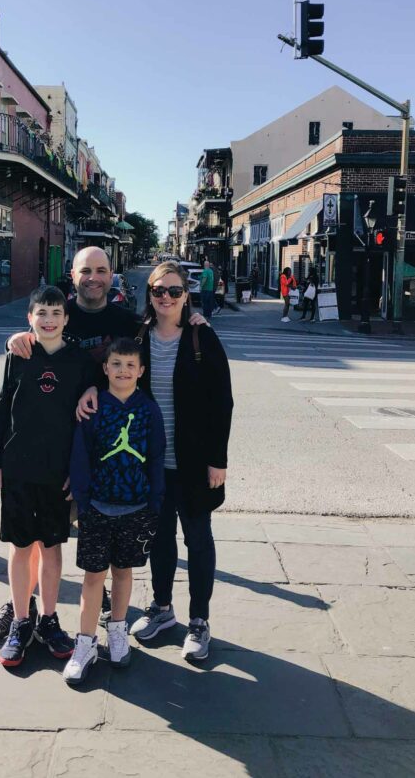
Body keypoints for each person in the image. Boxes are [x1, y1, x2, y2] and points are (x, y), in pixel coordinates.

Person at [0, 245, 207, 642]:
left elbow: (162, 324)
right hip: (47, 449)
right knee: (32, 536)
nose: (94, 278)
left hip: (103, 451)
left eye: (101, 270)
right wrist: (16, 339)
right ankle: (22, 608)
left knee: (91, 533)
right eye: (86, 270)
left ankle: (91, 604)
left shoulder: (126, 320)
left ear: (111, 274)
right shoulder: (58, 311)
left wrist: (192, 319)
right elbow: (35, 336)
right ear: (73, 275)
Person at [121, 262, 233, 662]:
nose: (165, 297)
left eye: (173, 291)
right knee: (160, 539)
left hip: (194, 461)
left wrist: (218, 460)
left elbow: (222, 402)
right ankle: (163, 607)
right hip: (152, 463)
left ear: (187, 295)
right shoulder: (138, 336)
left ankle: (199, 620)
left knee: (198, 539)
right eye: (158, 291)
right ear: (149, 295)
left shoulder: (202, 337)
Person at [0, 286, 96, 668]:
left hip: (57, 471)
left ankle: (49, 619)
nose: (49, 320)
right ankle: (21, 621)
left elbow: (94, 404)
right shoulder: (19, 354)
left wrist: (78, 471)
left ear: (66, 319)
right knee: (20, 546)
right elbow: (2, 407)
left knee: (51, 547)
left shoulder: (79, 360)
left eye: (55, 313)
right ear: (29, 318)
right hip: (18, 466)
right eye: (42, 313)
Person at [63, 337, 165, 685]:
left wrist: (154, 503)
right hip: (97, 506)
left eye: (130, 365)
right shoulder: (93, 408)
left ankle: (118, 630)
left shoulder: (149, 409)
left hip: (136, 506)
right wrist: (82, 499)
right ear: (105, 368)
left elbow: (156, 457)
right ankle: (85, 642)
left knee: (123, 571)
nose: (123, 370)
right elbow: (80, 454)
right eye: (117, 364)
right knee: (93, 577)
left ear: (141, 371)